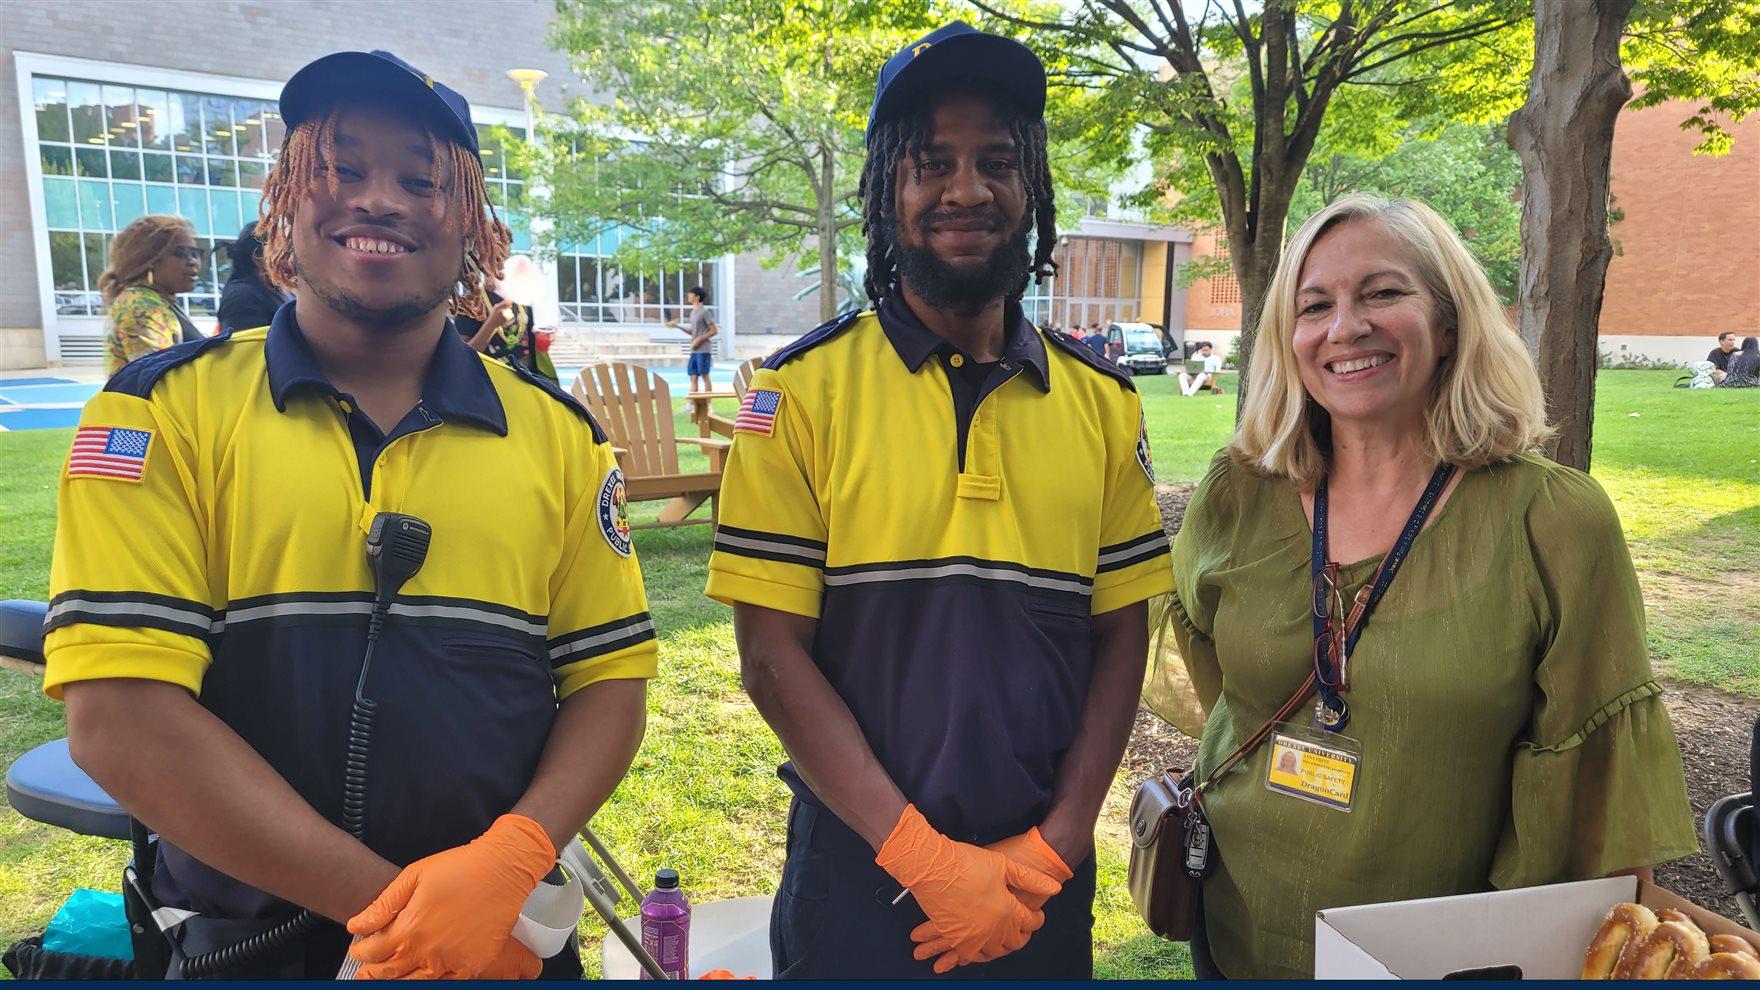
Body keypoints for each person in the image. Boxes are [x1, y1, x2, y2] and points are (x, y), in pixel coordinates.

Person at [44, 50, 655, 980]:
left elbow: (609, 683)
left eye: (421, 178)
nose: (380, 199)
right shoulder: (157, 413)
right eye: (340, 169)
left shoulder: (560, 436)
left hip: (509, 938)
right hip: (243, 948)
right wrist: (409, 924)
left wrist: (510, 863)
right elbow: (120, 718)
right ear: (287, 199)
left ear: (474, 226)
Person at [706, 23, 1172, 980]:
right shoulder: (793, 395)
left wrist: (1056, 847)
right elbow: (769, 656)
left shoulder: (1105, 403)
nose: (967, 190)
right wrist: (922, 860)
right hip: (859, 879)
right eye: (932, 164)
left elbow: (1122, 633)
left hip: (1039, 884)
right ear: (889, 191)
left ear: (1031, 187)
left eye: (996, 161)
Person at [1161, 194, 1696, 978]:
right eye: (1316, 305)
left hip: (1441, 956)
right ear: (1289, 336)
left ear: (1449, 325)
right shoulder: (1239, 490)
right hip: (1233, 918)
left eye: (1382, 293)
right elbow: (1207, 664)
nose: (1346, 327)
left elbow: (1589, 793)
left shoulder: (1553, 520)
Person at [99, 214, 202, 375]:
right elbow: (160, 377)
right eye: (182, 253)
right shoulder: (141, 306)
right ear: (150, 259)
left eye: (196, 253)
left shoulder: (159, 301)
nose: (193, 261)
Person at [453, 255, 553, 383]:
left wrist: (542, 340)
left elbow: (529, 340)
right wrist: (491, 325)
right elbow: (462, 357)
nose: (499, 269)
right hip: (490, 387)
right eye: (493, 260)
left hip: (527, 381)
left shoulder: (521, 295)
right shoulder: (471, 302)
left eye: (502, 261)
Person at [217, 221, 291, 334]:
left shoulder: (279, 290)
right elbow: (248, 348)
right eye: (283, 253)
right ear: (258, 257)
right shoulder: (241, 297)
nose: (291, 261)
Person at [666, 285, 718, 393]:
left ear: (697, 297)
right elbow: (693, 332)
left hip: (703, 351)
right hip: (694, 351)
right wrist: (677, 326)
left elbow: (714, 330)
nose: (688, 296)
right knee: (693, 377)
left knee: (704, 375)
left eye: (690, 294)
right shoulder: (693, 313)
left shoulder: (705, 312)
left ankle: (708, 406)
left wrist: (699, 340)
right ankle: (692, 404)